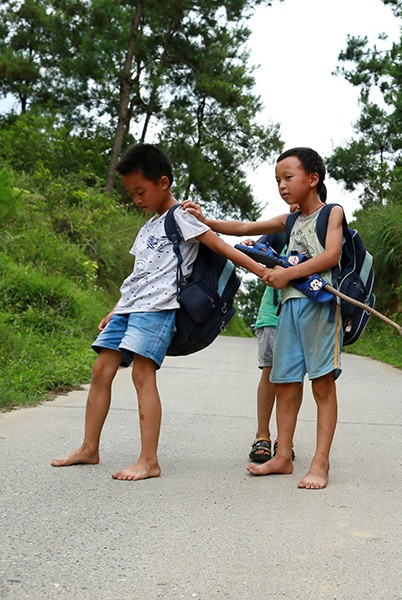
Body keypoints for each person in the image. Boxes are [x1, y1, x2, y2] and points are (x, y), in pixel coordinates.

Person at [51, 143, 267, 481]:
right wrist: (115, 309)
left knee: (142, 374)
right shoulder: (148, 227)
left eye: (141, 191)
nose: (137, 200)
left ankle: (149, 460)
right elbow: (140, 273)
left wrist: (265, 272)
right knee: (100, 369)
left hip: (159, 307)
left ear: (162, 182)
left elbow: (222, 246)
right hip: (130, 306)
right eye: (131, 194)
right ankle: (89, 448)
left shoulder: (182, 215)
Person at [183, 147, 343, 490]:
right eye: (277, 180)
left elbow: (331, 255)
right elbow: (243, 227)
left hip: (320, 308)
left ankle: (320, 462)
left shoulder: (332, 213)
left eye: (288, 177)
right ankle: (283, 456)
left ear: (313, 179)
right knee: (284, 382)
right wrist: (206, 221)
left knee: (322, 385)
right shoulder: (289, 220)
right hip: (288, 309)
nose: (282, 186)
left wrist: (287, 274)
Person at [247, 232, 288, 463]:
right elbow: (256, 254)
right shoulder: (279, 231)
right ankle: (262, 435)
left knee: (293, 380)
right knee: (269, 373)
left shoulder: (320, 228)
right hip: (272, 315)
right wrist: (251, 245)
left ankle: (285, 439)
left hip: (302, 313)